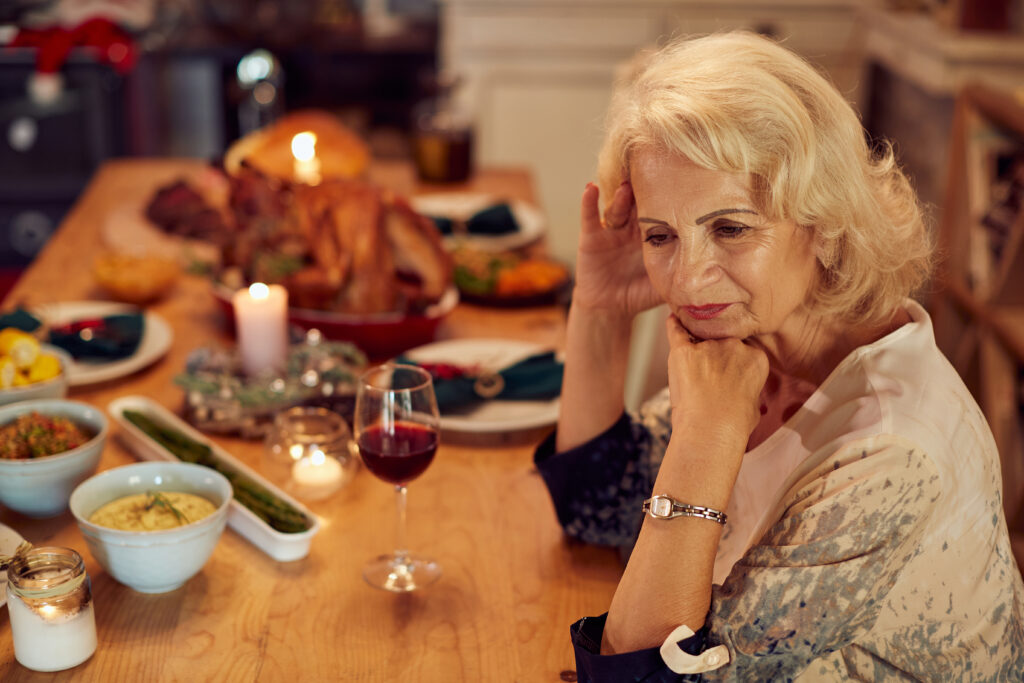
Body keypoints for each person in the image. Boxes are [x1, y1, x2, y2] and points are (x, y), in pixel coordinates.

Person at [535, 31, 1024, 681]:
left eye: (731, 227)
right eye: (661, 235)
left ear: (825, 223)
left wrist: (706, 438)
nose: (688, 278)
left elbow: (651, 674)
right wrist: (599, 308)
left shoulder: (892, 450)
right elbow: (599, 504)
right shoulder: (753, 345)